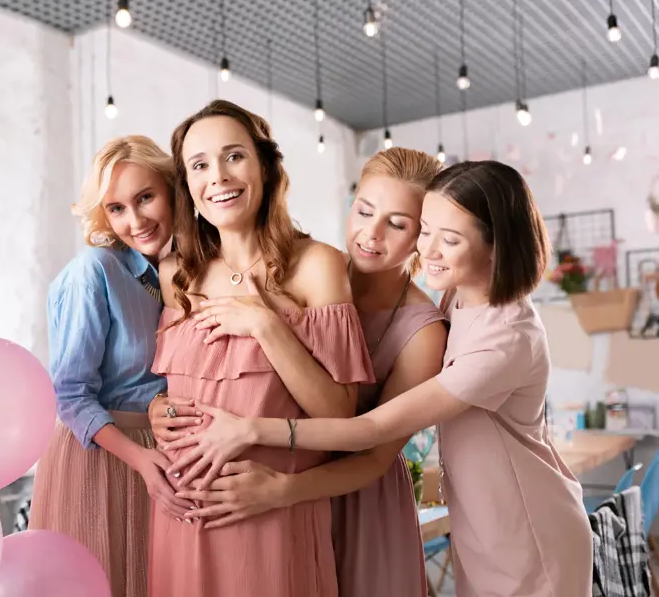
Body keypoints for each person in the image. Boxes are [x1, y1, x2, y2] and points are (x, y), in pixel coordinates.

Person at [166, 160, 594, 597]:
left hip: (526, 530)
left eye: (443, 238)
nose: (428, 250)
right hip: (475, 519)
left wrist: (252, 433)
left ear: (496, 247)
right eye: (427, 231)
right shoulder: (454, 294)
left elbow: (371, 431)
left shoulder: (495, 337)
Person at [151, 147, 447, 597]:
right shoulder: (307, 274)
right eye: (364, 211)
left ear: (423, 236)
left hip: (354, 501)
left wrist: (281, 490)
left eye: (398, 224)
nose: (371, 233)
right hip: (276, 500)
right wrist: (160, 405)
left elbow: (372, 454)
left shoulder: (422, 333)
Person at [148, 99, 375, 597]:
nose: (218, 178)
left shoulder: (318, 266)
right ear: (187, 185)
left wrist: (267, 327)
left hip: (270, 515)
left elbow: (339, 417)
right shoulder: (175, 276)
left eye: (234, 157)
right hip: (181, 516)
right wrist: (154, 408)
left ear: (266, 166)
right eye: (199, 165)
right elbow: (177, 389)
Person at [27, 135, 193, 597]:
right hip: (103, 456)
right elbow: (71, 394)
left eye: (145, 198)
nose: (135, 220)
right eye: (117, 208)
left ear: (172, 189)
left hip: (162, 455)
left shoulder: (186, 270)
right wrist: (140, 459)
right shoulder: (95, 271)